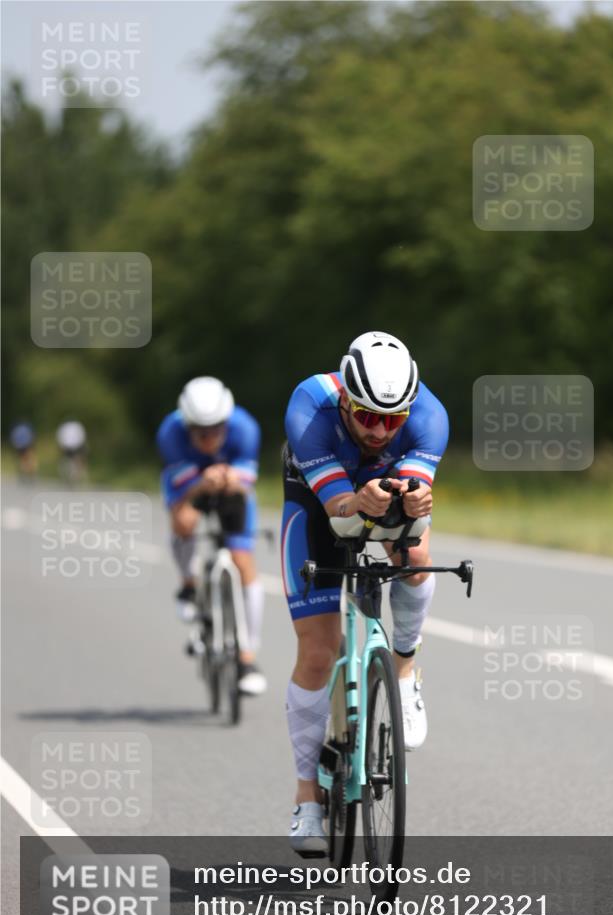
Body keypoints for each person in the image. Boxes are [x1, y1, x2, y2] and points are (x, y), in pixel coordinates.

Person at [281, 331, 449, 854]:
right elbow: (339, 514)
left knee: (415, 557)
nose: (379, 431)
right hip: (317, 501)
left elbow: (413, 503)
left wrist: (414, 502)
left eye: (392, 420)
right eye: (367, 416)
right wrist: (356, 501)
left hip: (382, 489)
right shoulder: (310, 407)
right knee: (317, 652)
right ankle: (307, 799)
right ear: (346, 400)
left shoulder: (429, 416)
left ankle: (404, 671)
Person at [156, 376, 266, 696]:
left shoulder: (245, 428)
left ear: (227, 422)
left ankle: (247, 657)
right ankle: (188, 585)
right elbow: (180, 489)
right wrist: (201, 485)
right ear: (187, 426)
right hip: (190, 484)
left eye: (217, 429)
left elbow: (246, 483)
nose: (210, 438)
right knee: (184, 523)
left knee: (243, 560)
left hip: (231, 487)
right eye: (201, 432)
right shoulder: (170, 433)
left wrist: (231, 480)